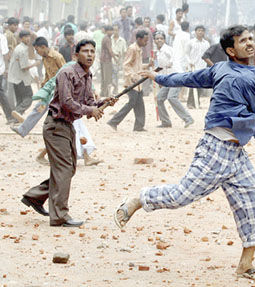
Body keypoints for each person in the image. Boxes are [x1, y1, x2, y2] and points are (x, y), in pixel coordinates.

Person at [113, 25, 255, 281]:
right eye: (243, 41)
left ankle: (245, 265)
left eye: (250, 38)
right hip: (216, 150)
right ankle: (138, 200)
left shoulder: (221, 68)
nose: (250, 43)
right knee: (180, 196)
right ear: (231, 50)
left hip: (235, 153)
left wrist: (160, 78)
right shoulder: (244, 77)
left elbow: (188, 78)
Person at [22, 39, 116, 227]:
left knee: (68, 168)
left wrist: (103, 102)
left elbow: (89, 100)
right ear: (75, 55)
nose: (90, 55)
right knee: (64, 169)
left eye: (92, 51)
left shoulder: (87, 76)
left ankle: (34, 196)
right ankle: (59, 216)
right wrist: (91, 111)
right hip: (56, 125)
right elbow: (66, 102)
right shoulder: (67, 72)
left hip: (67, 126)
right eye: (85, 51)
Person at [107, 30, 150, 132]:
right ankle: (114, 121)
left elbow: (137, 66)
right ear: (139, 39)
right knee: (132, 102)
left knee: (139, 104)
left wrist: (148, 65)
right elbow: (126, 64)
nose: (146, 43)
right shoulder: (132, 49)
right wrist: (132, 76)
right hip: (132, 82)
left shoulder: (139, 49)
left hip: (138, 81)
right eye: (145, 40)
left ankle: (139, 126)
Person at [154, 31, 194, 128]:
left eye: (161, 38)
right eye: (157, 38)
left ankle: (188, 118)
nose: (159, 40)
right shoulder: (158, 52)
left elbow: (174, 58)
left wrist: (171, 62)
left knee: (172, 97)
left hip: (176, 76)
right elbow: (161, 67)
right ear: (154, 40)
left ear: (164, 40)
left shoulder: (167, 49)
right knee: (159, 98)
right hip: (168, 79)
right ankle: (166, 122)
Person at [8, 30, 39, 119]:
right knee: (29, 97)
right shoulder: (22, 49)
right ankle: (17, 113)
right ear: (21, 38)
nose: (28, 39)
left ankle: (15, 118)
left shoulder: (18, 48)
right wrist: (35, 64)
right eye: (25, 37)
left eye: (28, 37)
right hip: (21, 78)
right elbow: (24, 67)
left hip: (14, 78)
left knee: (20, 99)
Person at [186, 25, 209, 109]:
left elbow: (207, 55)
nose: (200, 32)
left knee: (200, 86)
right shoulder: (191, 42)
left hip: (202, 67)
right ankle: (190, 103)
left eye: (202, 31)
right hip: (193, 67)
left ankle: (197, 102)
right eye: (198, 30)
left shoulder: (206, 43)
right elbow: (186, 54)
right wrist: (190, 62)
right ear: (195, 32)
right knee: (192, 86)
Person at [0, 28, 13, 124]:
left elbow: (5, 54)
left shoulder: (2, 37)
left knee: (1, 92)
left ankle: (9, 116)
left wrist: (7, 68)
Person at [100, 25, 116, 98]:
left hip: (103, 59)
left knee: (104, 77)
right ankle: (106, 93)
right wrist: (115, 59)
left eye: (112, 30)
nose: (112, 32)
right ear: (106, 31)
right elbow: (110, 50)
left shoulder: (106, 38)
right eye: (110, 30)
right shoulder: (107, 39)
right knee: (107, 77)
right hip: (106, 60)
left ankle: (103, 92)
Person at [111, 24, 127, 94]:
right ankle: (113, 87)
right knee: (111, 76)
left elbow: (125, 51)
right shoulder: (110, 39)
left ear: (119, 31)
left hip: (118, 61)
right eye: (114, 30)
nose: (115, 32)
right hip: (110, 60)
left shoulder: (122, 41)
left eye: (117, 30)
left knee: (116, 76)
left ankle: (115, 88)